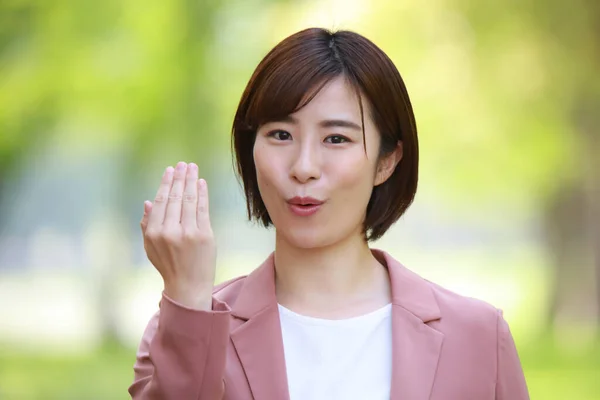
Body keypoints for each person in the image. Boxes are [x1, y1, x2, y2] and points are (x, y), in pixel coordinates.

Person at [128, 28, 530, 400]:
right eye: (280, 135)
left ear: (387, 160)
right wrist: (188, 295)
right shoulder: (187, 327)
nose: (304, 166)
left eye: (336, 138)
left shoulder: (477, 337)